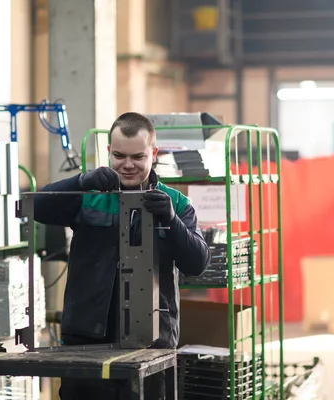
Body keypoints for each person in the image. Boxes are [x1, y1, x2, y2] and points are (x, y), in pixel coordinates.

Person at [34, 112, 211, 399]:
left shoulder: (176, 203)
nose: (127, 165)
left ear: (153, 153)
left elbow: (198, 263)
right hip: (86, 340)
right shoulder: (89, 195)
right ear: (108, 152)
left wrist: (171, 220)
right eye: (119, 156)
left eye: (138, 157)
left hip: (152, 344)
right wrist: (79, 181)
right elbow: (36, 206)